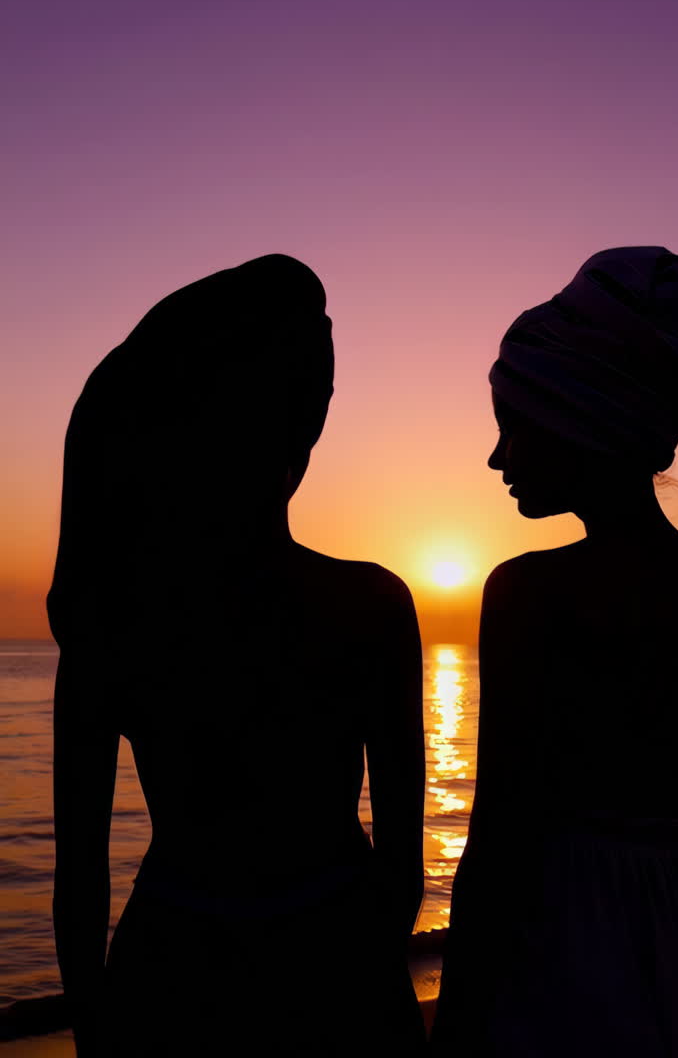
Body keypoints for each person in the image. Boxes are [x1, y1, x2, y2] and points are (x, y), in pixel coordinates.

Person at [49, 254, 426, 1057]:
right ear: (301, 425)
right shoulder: (372, 607)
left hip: (174, 973)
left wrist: (92, 1028)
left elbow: (81, 881)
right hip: (336, 971)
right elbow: (401, 868)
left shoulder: (113, 621)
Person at [431, 247, 678, 1056]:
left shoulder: (531, 593)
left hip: (560, 935)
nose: (498, 458)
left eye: (512, 427)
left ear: (575, 422)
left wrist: (455, 1022)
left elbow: (499, 834)